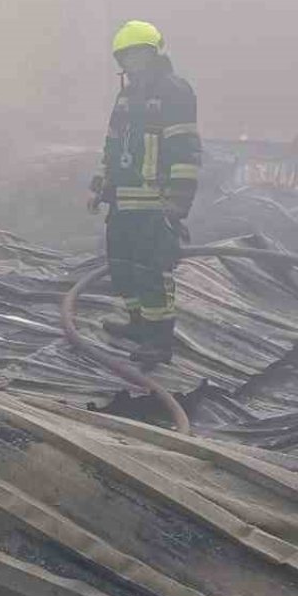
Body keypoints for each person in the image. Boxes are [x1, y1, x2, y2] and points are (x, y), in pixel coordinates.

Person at [89, 20, 201, 367]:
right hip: (123, 198)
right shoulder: (125, 95)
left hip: (155, 201)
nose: (132, 62)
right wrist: (100, 184)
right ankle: (138, 324)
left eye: (139, 54)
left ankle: (158, 340)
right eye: (126, 56)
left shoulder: (174, 91)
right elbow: (112, 143)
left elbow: (184, 148)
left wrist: (177, 202)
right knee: (122, 266)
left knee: (152, 270)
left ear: (155, 53)